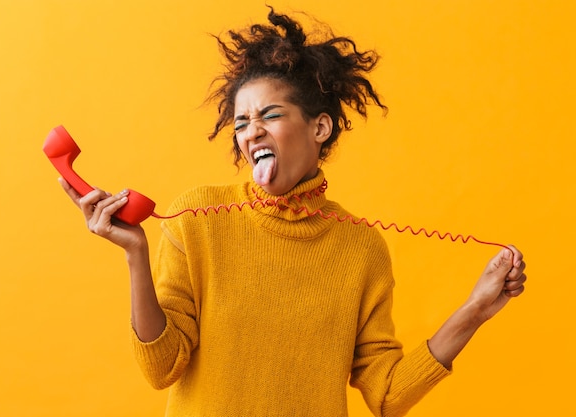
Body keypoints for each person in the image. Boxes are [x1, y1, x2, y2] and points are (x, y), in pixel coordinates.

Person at [59, 8, 527, 417]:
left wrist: (476, 308)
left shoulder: (361, 249)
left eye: (271, 116)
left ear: (320, 126)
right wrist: (136, 255)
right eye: (242, 123)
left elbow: (388, 396)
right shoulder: (195, 217)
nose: (251, 132)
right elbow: (162, 369)